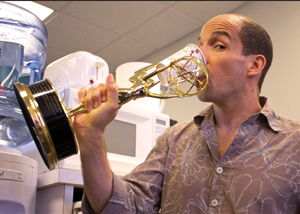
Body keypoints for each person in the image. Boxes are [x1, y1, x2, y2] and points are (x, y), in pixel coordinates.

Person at [73, 13, 300, 213]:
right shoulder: (173, 140)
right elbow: (123, 209)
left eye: (219, 45)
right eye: (199, 46)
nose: (198, 58)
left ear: (255, 65)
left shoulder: (295, 144)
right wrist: (90, 134)